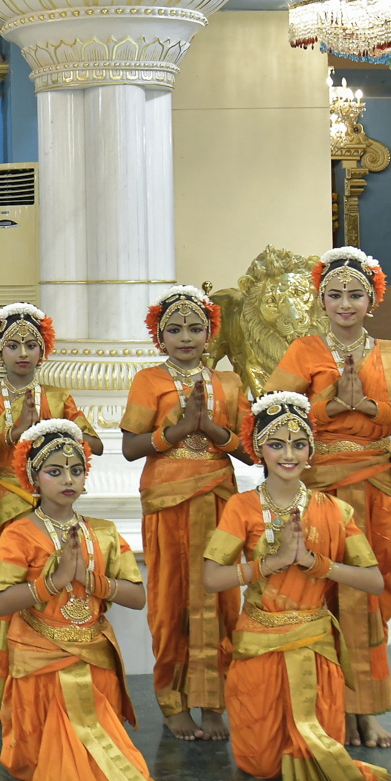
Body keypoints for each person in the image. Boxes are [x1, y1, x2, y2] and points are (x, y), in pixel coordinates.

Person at [263, 246, 391, 749]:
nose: (346, 304)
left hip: (377, 488)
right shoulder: (304, 351)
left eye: (355, 294)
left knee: (373, 593)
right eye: (336, 294)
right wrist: (328, 405)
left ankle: (365, 709)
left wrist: (371, 406)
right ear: (321, 298)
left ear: (372, 299)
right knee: (320, 591)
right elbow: (271, 413)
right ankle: (327, 704)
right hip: (320, 489)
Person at [202, 392, 391, 781]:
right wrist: (268, 565)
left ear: (311, 449)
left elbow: (374, 580)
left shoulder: (335, 511)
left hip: (313, 644)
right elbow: (212, 578)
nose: (288, 454)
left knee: (311, 750)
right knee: (260, 763)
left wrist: (315, 563)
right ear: (258, 448)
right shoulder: (242, 507)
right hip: (258, 642)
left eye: (298, 443)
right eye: (276, 444)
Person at [0, 419, 170, 781]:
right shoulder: (18, 534)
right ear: (33, 478)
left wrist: (89, 580)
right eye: (54, 471)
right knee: (55, 764)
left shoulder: (103, 533)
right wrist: (53, 583)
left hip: (92, 657)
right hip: (40, 660)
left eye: (76, 470)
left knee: (99, 753)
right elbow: (1, 603)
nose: (67, 479)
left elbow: (138, 598)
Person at [118, 285, 251, 743]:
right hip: (167, 503)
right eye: (174, 329)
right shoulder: (148, 382)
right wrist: (177, 431)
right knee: (171, 601)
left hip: (218, 500)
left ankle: (214, 701)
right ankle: (173, 703)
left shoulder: (229, 384)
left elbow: (252, 452)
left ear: (211, 332)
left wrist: (210, 429)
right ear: (159, 336)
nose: (185, 337)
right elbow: (131, 448)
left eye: (196, 328)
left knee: (221, 601)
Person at [0, 302, 99, 724]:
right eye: (13, 345)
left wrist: (56, 433)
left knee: (52, 595)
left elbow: (96, 442)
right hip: (5, 505)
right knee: (6, 597)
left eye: (31, 345)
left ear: (44, 352)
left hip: (52, 509)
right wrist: (9, 435)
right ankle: (11, 692)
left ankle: (50, 687)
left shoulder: (58, 398)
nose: (23, 352)